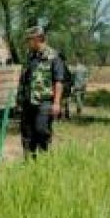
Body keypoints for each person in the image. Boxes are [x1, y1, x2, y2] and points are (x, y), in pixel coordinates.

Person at [17, 26, 66, 156]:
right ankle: (29, 161)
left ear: (38, 39)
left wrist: (56, 103)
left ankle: (44, 159)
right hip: (28, 101)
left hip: (45, 102)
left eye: (30, 40)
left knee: (41, 130)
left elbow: (58, 81)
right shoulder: (30, 56)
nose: (28, 43)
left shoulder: (54, 57)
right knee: (27, 133)